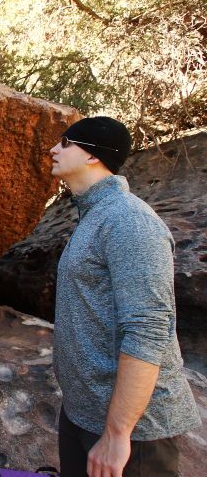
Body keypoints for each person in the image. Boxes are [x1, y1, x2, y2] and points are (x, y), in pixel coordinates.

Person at [49, 116, 200, 476]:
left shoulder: (130, 221)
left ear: (92, 156)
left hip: (135, 435)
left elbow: (148, 330)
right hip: (84, 413)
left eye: (66, 143)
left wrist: (118, 434)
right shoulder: (94, 216)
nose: (53, 149)